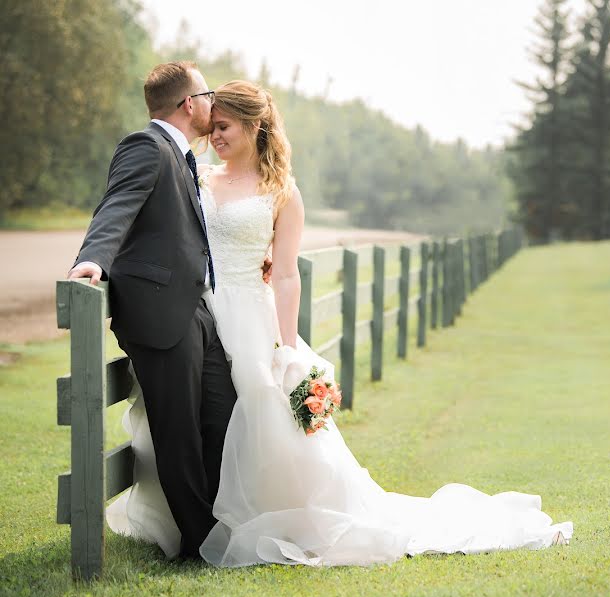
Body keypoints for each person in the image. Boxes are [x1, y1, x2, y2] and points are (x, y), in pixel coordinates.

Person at [111, 79, 573, 567]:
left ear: (254, 127)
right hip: (197, 310)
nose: (216, 137)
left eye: (224, 127)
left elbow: (286, 275)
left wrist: (286, 350)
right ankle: (200, 519)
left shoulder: (281, 192)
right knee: (196, 417)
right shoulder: (198, 178)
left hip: (250, 316)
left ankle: (259, 518)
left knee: (258, 417)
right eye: (213, 128)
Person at [69, 61, 242, 559]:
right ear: (190, 104)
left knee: (224, 418)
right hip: (161, 314)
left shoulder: (182, 155)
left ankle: (221, 529)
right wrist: (90, 260)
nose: (213, 104)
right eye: (207, 95)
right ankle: (199, 547)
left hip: (199, 311)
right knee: (179, 433)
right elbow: (116, 205)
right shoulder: (146, 146)